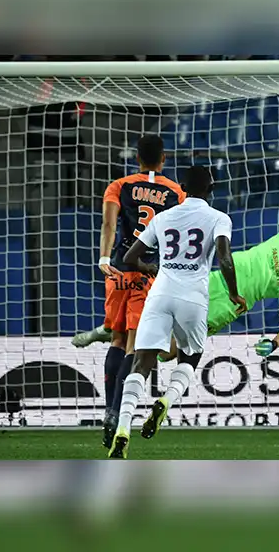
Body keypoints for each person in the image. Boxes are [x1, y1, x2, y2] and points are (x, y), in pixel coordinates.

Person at [100, 152, 279, 450]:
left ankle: (136, 405)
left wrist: (274, 343)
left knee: (166, 353)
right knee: (175, 354)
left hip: (223, 304)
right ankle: (161, 398)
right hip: (209, 283)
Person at [108, 166, 244, 459]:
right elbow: (224, 257)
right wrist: (233, 293)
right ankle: (166, 401)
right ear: (212, 189)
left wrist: (150, 267)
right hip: (193, 297)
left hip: (160, 294)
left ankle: (122, 429)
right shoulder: (220, 218)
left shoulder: (163, 217)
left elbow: (129, 257)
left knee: (141, 364)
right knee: (189, 358)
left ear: (182, 186)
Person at [89, 134, 185, 440]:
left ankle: (108, 410)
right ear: (164, 158)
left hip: (119, 268)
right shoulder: (176, 193)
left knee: (116, 340)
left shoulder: (120, 185)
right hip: (151, 274)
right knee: (134, 344)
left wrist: (105, 256)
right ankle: (118, 416)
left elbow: (109, 224)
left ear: (136, 158)